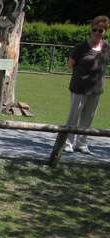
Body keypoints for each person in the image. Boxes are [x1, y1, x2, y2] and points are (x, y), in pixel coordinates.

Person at [64, 15, 110, 154]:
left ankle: (82, 143)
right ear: (91, 30)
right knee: (73, 116)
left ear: (105, 32)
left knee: (88, 117)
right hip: (79, 88)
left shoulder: (107, 47)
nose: (97, 33)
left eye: (100, 30)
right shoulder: (81, 47)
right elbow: (70, 65)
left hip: (96, 89)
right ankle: (68, 142)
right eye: (95, 29)